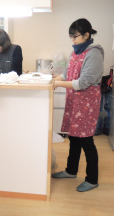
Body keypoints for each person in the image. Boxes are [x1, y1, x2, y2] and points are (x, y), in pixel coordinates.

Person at [52, 18, 104, 192]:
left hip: (87, 104)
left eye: (75, 37)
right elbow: (67, 73)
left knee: (86, 140)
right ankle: (71, 170)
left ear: (87, 35)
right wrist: (53, 80)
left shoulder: (94, 54)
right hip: (75, 102)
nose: (73, 40)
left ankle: (92, 179)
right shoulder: (75, 52)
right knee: (73, 137)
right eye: (71, 37)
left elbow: (83, 83)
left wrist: (58, 84)